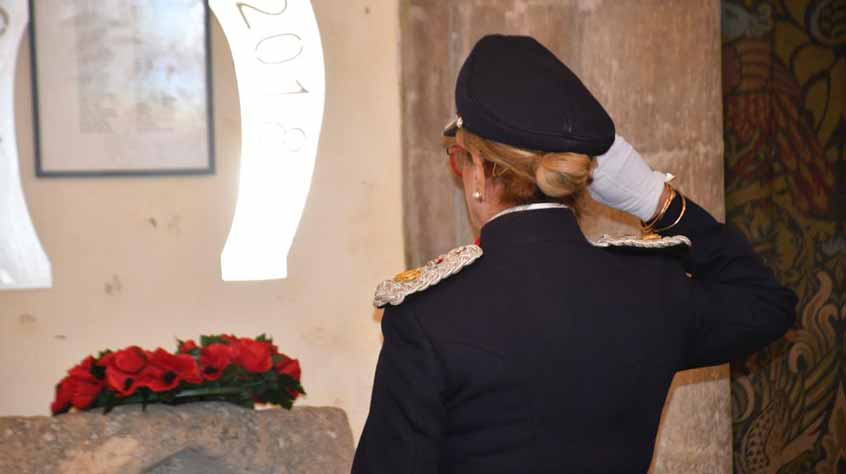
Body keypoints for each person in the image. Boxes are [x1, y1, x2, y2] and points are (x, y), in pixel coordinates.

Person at [352, 34, 796, 474]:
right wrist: (655, 200)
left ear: (479, 174)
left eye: (458, 158)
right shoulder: (651, 287)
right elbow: (766, 305)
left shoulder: (428, 316)